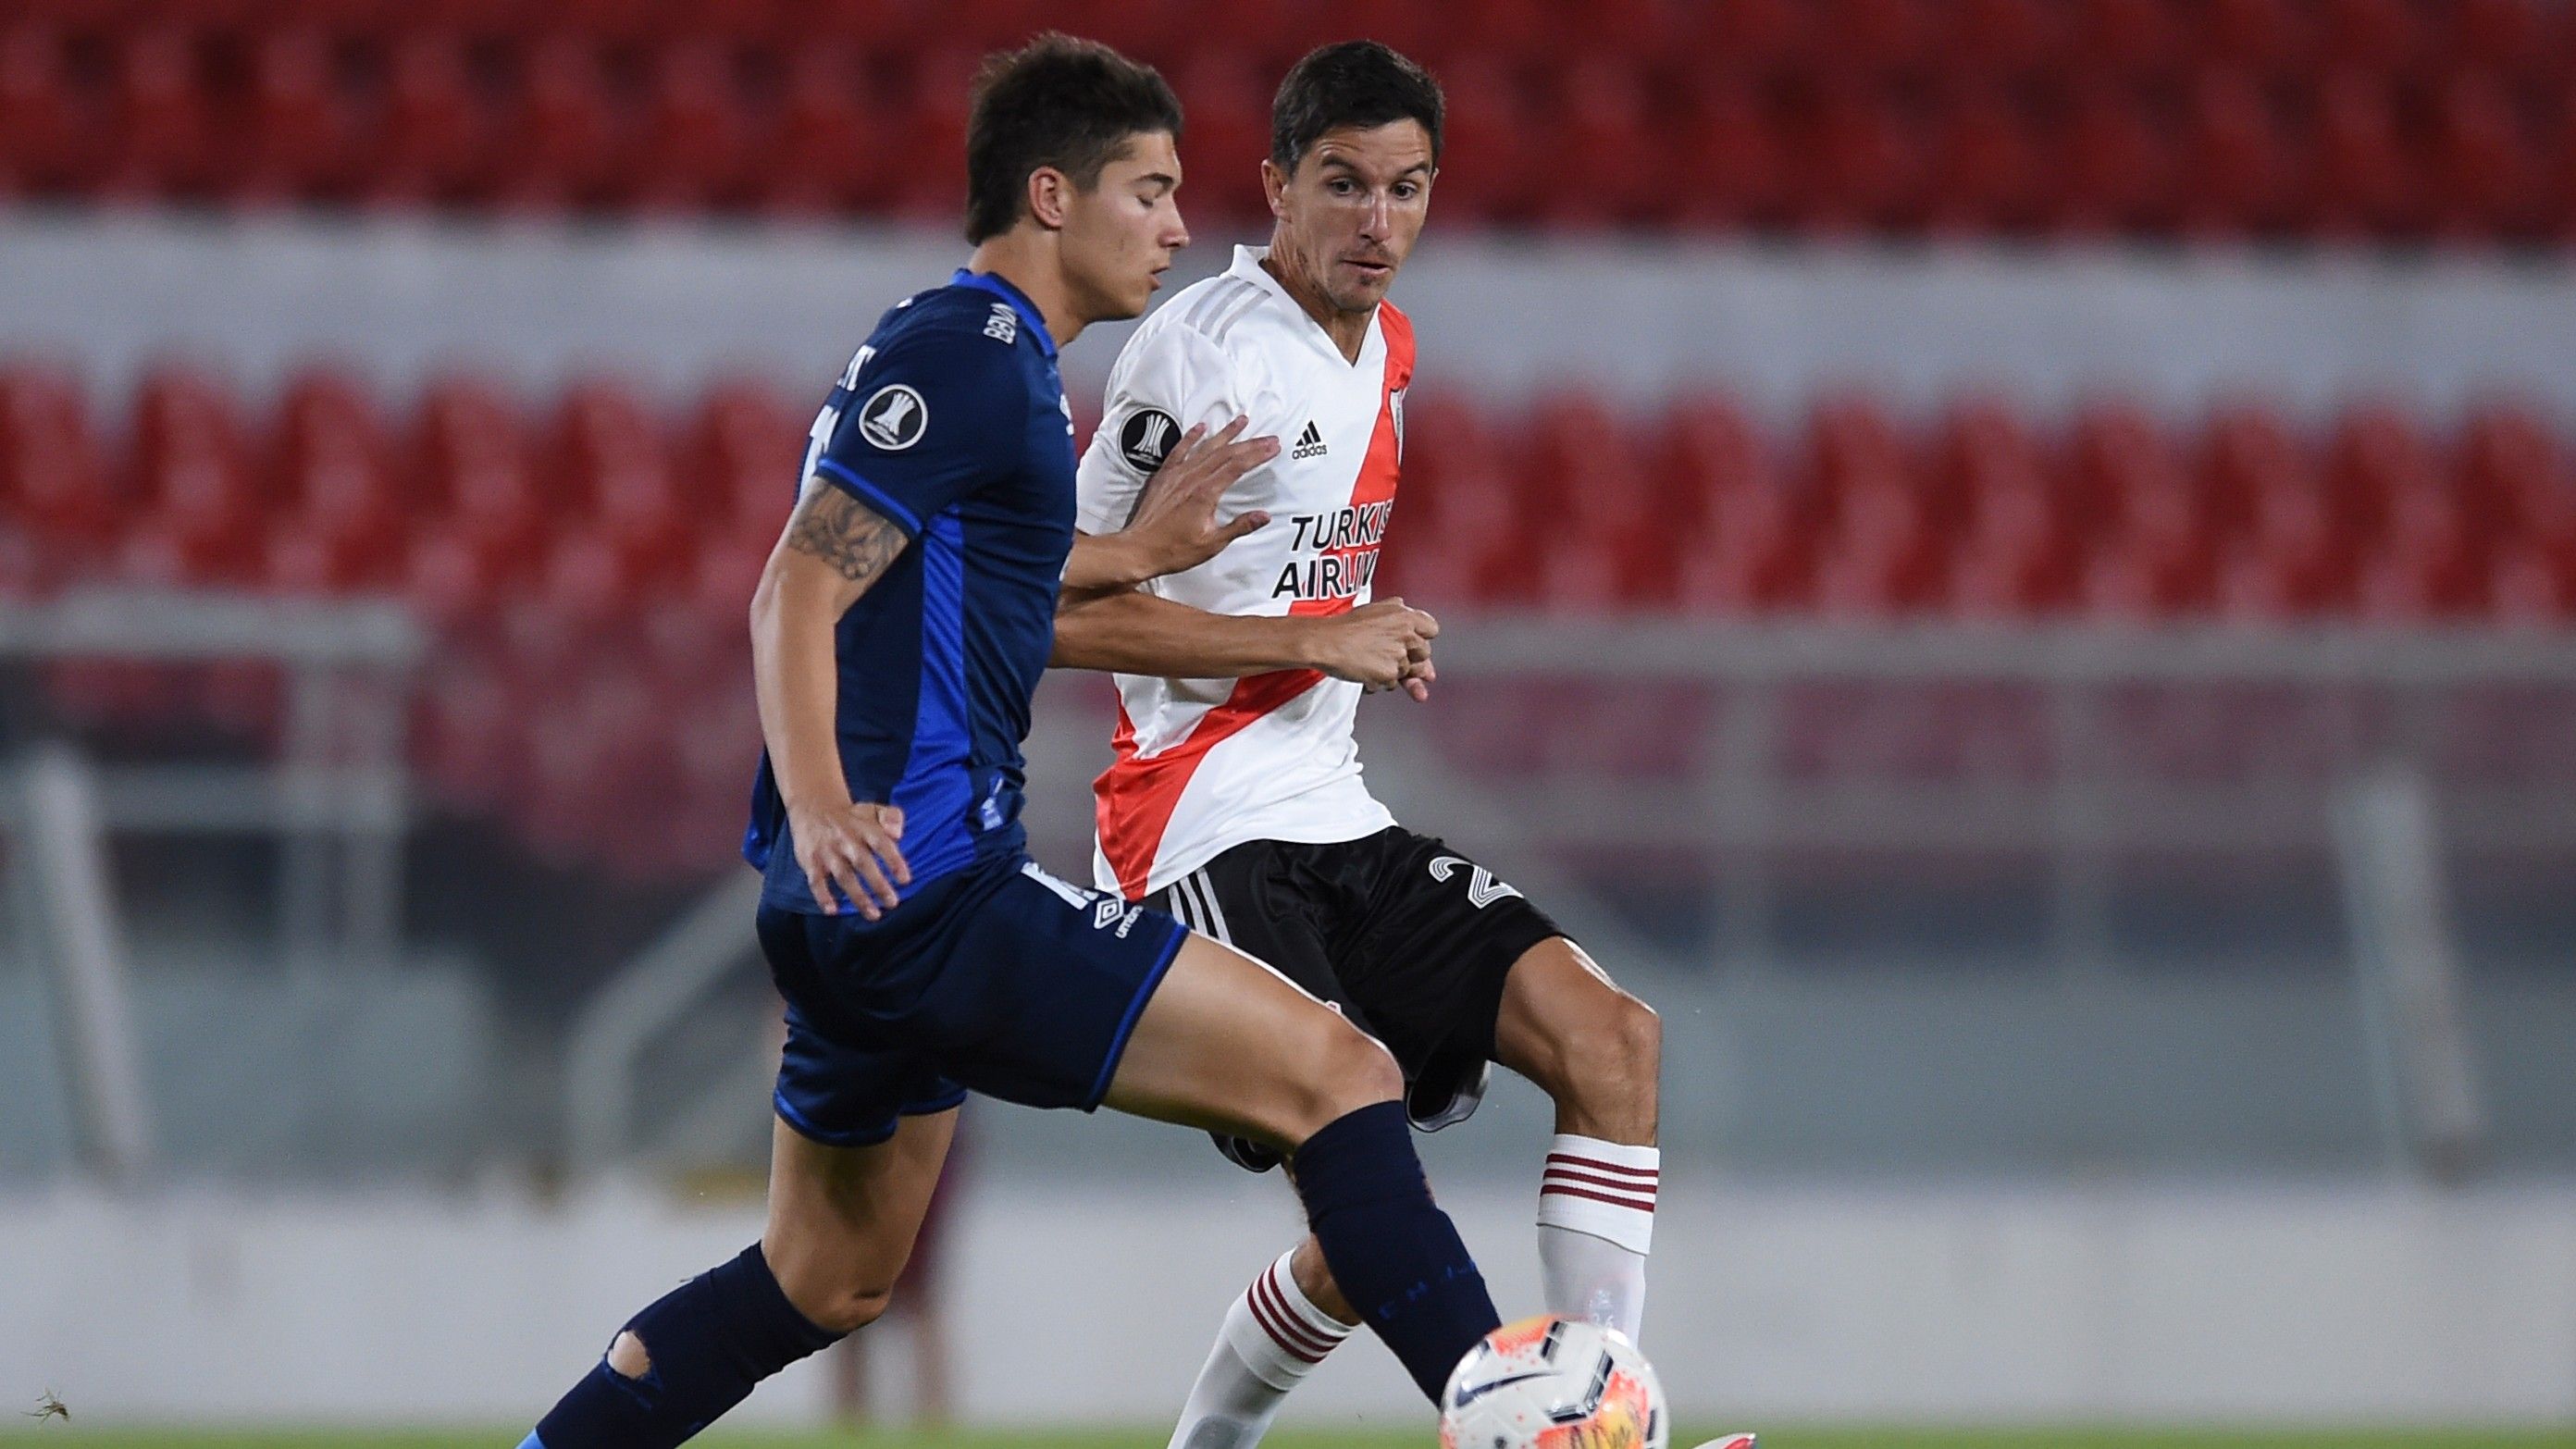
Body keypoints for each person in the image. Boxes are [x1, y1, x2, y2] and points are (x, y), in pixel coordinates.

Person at [514, 34, 1499, 1449]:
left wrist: (1139, 550)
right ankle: (1528, 1425)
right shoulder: (967, 353)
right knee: (1343, 1072)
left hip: (844, 914)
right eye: (1148, 191)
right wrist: (819, 799)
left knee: (828, 1274)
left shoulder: (1002, 373)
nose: (1175, 224)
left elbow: (974, 578)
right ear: (1053, 195)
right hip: (925, 886)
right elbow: (799, 579)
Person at [1054, 41, 1663, 1449]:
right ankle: (1538, 1433)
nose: (1376, 221)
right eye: (1342, 185)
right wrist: (1315, 641)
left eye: (1407, 189)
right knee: (1364, 1146)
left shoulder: (1386, 348)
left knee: (1610, 1041)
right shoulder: (1194, 353)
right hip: (1199, 822)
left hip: (1335, 809)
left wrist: (1345, 636)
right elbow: (1046, 620)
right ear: (1274, 185)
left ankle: (1600, 1405)